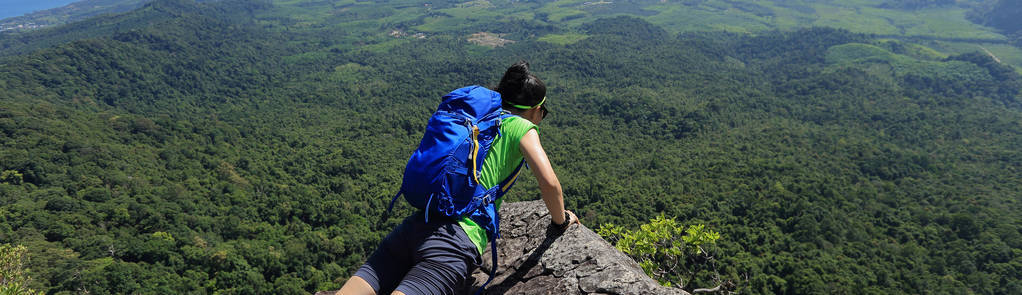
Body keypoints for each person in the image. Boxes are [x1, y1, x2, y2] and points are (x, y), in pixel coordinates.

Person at [338, 60, 579, 295]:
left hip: (417, 224)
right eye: (543, 112)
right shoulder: (521, 127)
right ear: (535, 109)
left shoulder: (475, 118)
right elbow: (549, 182)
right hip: (454, 241)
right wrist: (561, 220)